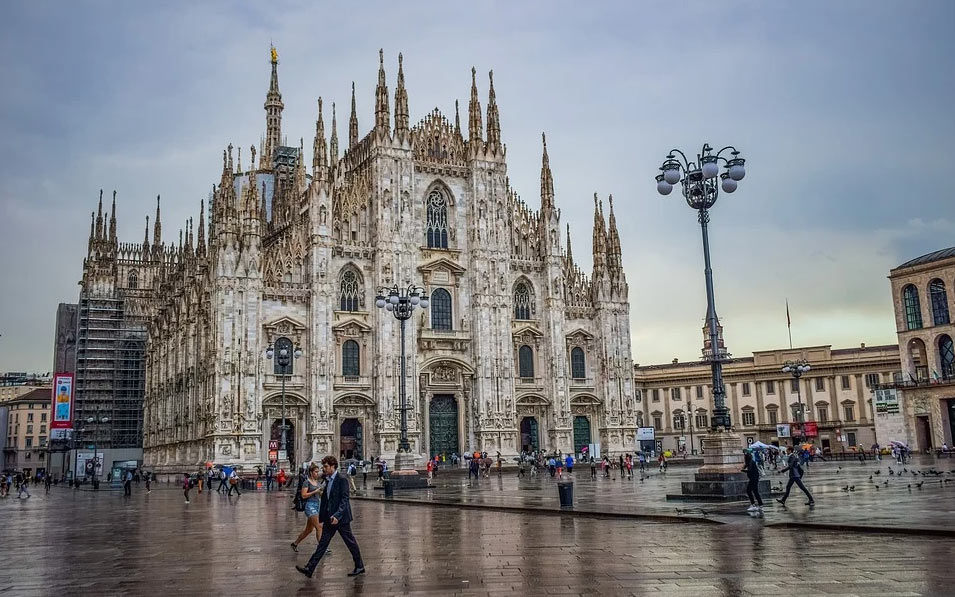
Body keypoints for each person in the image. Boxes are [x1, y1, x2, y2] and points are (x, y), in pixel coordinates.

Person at [295, 456, 365, 579]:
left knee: (350, 542)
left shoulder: (342, 479)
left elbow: (344, 500)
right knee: (322, 544)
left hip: (341, 518)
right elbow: (326, 500)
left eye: (326, 466)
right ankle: (310, 568)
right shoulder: (327, 480)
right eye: (323, 467)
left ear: (333, 466)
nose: (324, 469)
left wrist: (337, 515)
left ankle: (359, 566)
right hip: (330, 518)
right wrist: (323, 517)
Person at [291, 463, 325, 553]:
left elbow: (318, 494)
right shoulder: (307, 482)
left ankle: (295, 543)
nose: (317, 473)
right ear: (311, 472)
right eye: (316, 472)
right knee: (319, 526)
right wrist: (315, 491)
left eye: (318, 472)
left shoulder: (317, 482)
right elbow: (303, 495)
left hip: (318, 504)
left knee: (309, 530)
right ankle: (322, 548)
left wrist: (321, 493)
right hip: (310, 506)